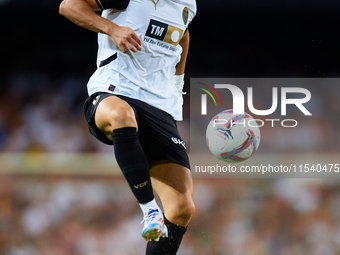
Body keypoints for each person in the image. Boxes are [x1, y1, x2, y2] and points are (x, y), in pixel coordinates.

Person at [59, 0, 196, 254]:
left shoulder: (188, 3)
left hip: (158, 105)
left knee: (182, 208)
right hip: (115, 90)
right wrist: (111, 28)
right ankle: (149, 210)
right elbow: (69, 6)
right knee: (122, 115)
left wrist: (177, 84)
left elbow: (183, 34)